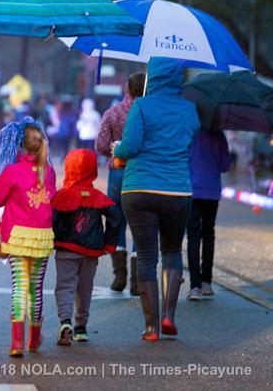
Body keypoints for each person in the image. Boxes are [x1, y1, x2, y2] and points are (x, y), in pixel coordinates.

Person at [113, 57, 200, 341]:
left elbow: (131, 146)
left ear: (154, 78)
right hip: (177, 190)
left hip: (140, 189)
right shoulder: (189, 109)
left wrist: (118, 149)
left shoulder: (141, 105)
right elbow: (190, 137)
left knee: (148, 255)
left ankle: (151, 327)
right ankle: (169, 316)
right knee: (173, 252)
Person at [0, 118, 56, 357]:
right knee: (35, 289)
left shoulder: (13, 171)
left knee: (19, 287)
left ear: (20, 146)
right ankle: (34, 339)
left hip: (17, 237)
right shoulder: (49, 171)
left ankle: (17, 342)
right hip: (43, 237)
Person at [51, 149, 122, 345]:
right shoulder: (98, 197)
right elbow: (115, 216)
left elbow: (52, 219)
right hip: (91, 251)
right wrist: (109, 242)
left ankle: (65, 321)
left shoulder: (61, 196)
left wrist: (50, 241)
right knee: (85, 288)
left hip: (65, 248)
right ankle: (81, 327)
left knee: (64, 287)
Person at [95, 73, 145, 295]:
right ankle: (136, 280)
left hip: (117, 172)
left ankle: (119, 277)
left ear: (127, 88)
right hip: (141, 173)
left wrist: (115, 149)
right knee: (139, 225)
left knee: (117, 222)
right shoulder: (147, 113)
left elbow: (101, 144)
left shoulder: (113, 112)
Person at [186, 129, 230, 301]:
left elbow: (183, 159)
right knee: (208, 235)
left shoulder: (191, 133)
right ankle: (207, 283)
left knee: (193, 237)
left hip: (192, 191)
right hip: (212, 192)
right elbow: (225, 166)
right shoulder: (219, 135)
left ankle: (194, 286)